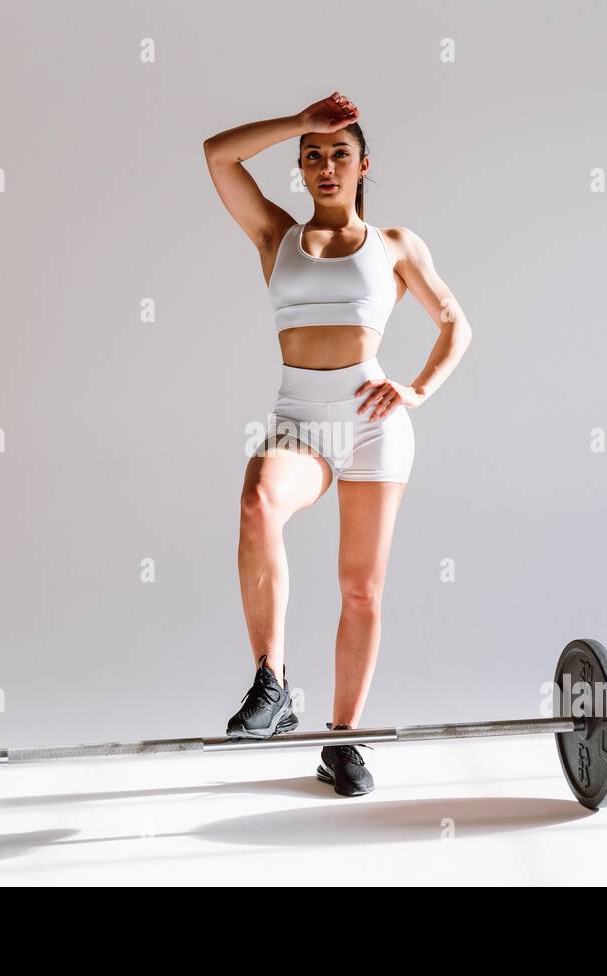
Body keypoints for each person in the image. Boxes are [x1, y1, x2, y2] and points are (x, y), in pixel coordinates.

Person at [202, 92, 473, 795]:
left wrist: (416, 389)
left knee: (361, 590)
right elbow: (217, 154)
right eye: (313, 156)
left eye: (339, 154)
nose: (326, 166)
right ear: (300, 167)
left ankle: (343, 740)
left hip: (373, 423)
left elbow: (455, 324)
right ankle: (273, 682)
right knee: (260, 500)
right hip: (301, 417)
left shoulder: (395, 246)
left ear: (363, 165)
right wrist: (300, 120)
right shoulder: (276, 237)